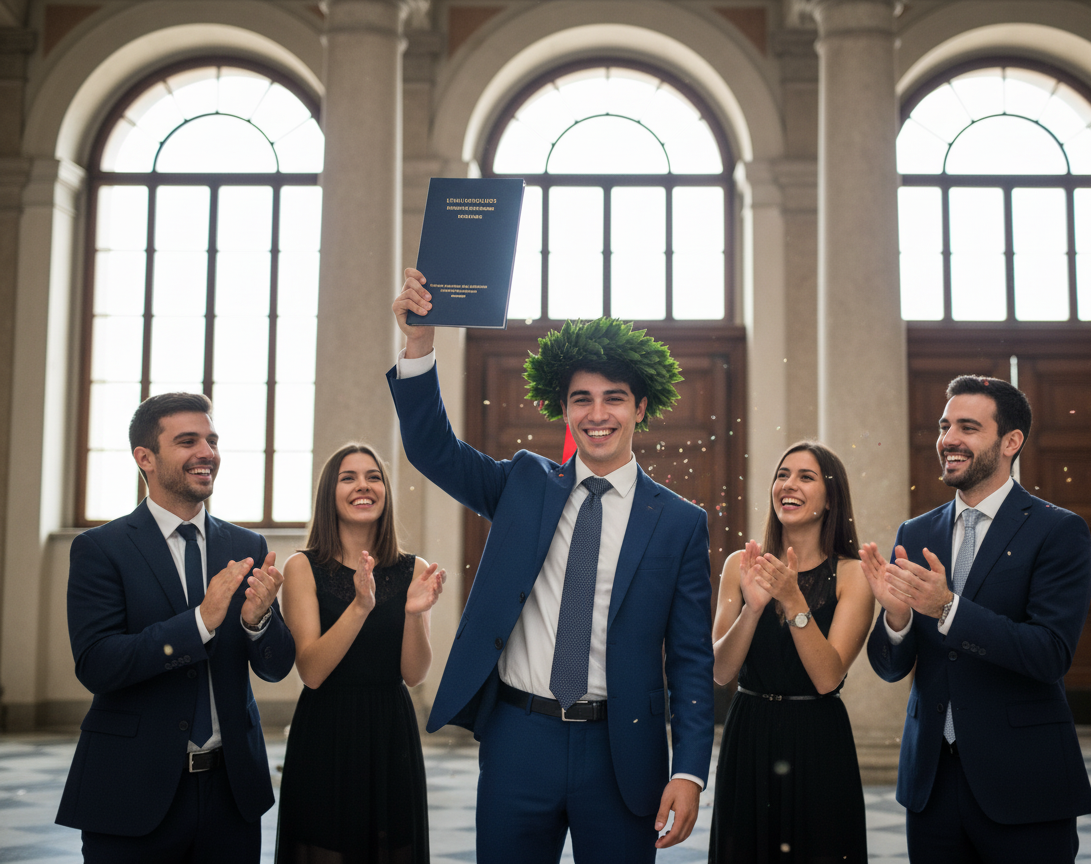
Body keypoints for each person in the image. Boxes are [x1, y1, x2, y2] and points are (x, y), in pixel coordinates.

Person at [387, 270, 715, 864]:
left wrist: (690, 769)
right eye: (581, 399)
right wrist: (418, 345)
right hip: (520, 738)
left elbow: (692, 658)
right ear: (564, 409)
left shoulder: (680, 523)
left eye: (614, 398)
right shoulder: (524, 483)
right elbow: (431, 448)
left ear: (640, 407)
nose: (598, 414)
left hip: (622, 749)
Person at [862, 375, 1091, 864]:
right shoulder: (917, 529)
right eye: (945, 425)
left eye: (968, 427)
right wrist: (898, 618)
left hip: (1024, 781)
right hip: (931, 782)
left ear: (1011, 442)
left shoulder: (1058, 530)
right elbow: (890, 667)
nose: (948, 439)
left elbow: (1050, 654)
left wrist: (948, 609)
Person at [55, 392, 295, 862]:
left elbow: (276, 666)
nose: (207, 452)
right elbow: (98, 665)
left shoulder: (245, 544)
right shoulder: (101, 549)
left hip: (232, 794)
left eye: (212, 440)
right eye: (188, 441)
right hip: (132, 790)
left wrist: (258, 621)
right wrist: (199, 623)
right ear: (145, 457)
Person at [275, 442, 445, 863]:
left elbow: (415, 673)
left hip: (391, 731)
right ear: (329, 493)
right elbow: (311, 671)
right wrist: (360, 606)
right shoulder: (302, 566)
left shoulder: (413, 569)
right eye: (348, 477)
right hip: (327, 730)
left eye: (373, 477)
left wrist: (411, 614)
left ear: (385, 492)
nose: (362, 486)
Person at [709, 441, 874, 863]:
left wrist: (794, 600)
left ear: (831, 496)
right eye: (783, 474)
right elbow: (721, 671)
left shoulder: (853, 575)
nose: (789, 484)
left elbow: (827, 677)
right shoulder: (738, 566)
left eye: (806, 477)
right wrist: (754, 609)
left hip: (816, 738)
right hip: (750, 731)